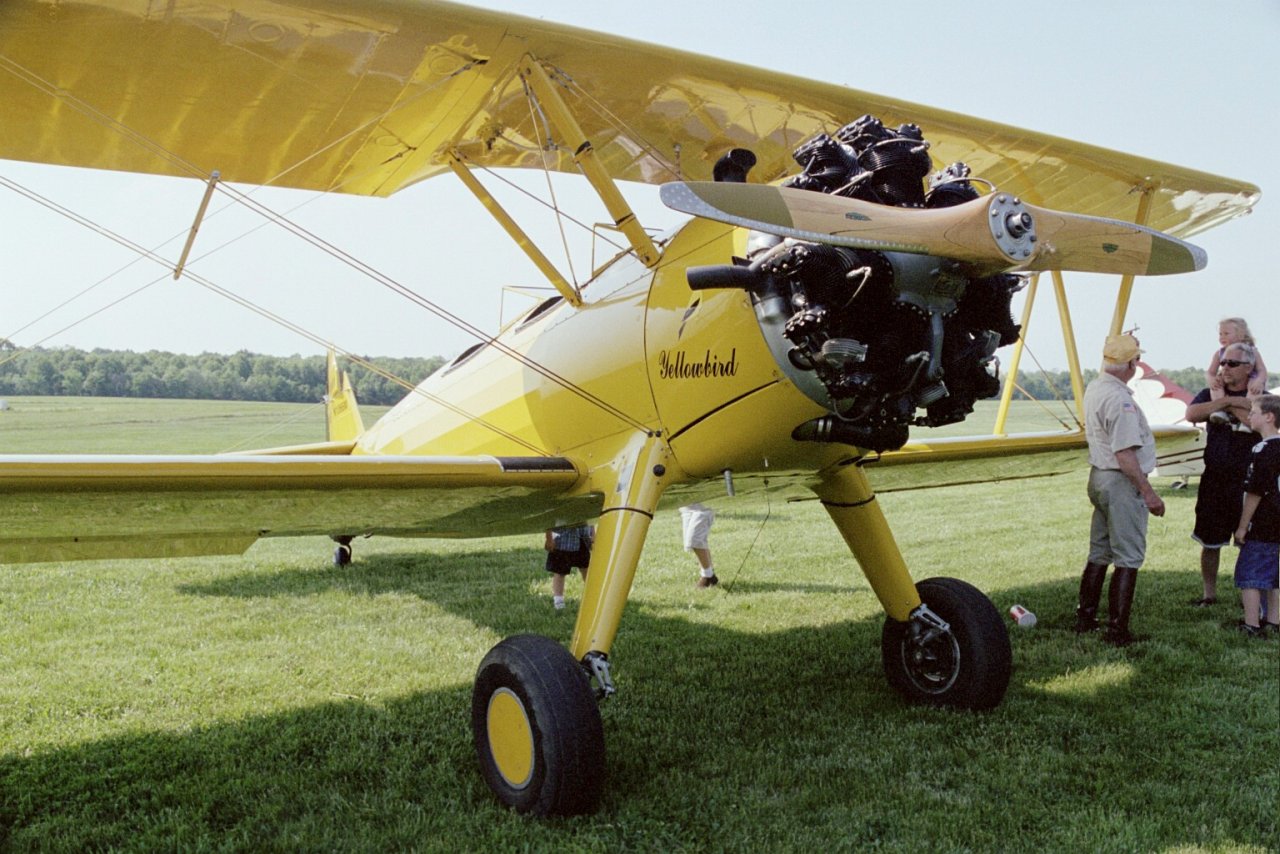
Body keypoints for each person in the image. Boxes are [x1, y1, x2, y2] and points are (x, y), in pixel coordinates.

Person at [1075, 333, 1165, 646]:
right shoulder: (1121, 399)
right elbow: (1125, 454)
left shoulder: (1097, 388)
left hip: (1099, 476)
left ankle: (1085, 617)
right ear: (1130, 364)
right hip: (1120, 481)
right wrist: (1149, 493)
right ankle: (1117, 630)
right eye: (1135, 359)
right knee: (1129, 555)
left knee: (1099, 550)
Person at [1184, 342, 1261, 606]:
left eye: (1233, 363)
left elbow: (1257, 423)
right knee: (1210, 540)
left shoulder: (1260, 396)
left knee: (1250, 543)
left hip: (1249, 482)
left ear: (1249, 368)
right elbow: (1191, 413)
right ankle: (1209, 594)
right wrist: (1227, 401)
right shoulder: (1210, 392)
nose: (1225, 368)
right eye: (1223, 363)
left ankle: (1249, 595)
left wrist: (1225, 406)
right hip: (1214, 480)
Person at [1232, 394, 1280, 637]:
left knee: (1250, 573)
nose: (1249, 416)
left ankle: (1251, 624)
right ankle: (1274, 621)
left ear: (1269, 417)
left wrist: (1242, 526)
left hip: (1262, 522)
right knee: (1274, 573)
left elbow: (1255, 491)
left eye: (1254, 412)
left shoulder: (1261, 450)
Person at [1207, 317, 1268, 402]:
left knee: (1254, 388)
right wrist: (1211, 380)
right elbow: (1210, 372)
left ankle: (1248, 406)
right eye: (1220, 334)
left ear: (1241, 334)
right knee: (1217, 385)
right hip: (1227, 376)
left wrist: (1259, 381)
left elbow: (1262, 370)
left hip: (1250, 377)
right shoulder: (1220, 352)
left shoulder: (1251, 351)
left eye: (1226, 333)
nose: (1222, 337)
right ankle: (1220, 406)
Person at [545, 524, 593, 610]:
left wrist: (593, 533)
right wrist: (549, 538)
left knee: (586, 569)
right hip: (562, 541)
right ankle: (558, 600)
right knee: (560, 572)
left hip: (582, 538)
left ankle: (592, 595)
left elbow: (591, 518)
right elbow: (550, 519)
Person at [679, 503, 718, 588]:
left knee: (694, 540)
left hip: (703, 507)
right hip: (686, 507)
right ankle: (710, 573)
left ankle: (707, 576)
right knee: (692, 543)